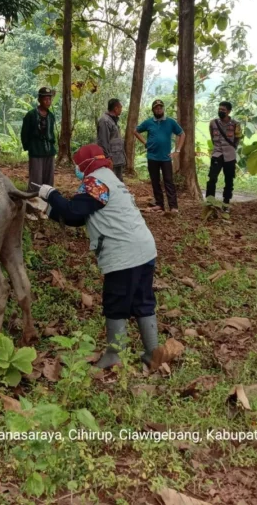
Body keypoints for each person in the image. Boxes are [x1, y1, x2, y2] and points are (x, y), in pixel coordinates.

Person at [36, 144, 159, 369]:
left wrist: (51, 195)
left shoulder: (95, 181)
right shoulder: (111, 179)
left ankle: (115, 356)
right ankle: (153, 353)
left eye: (78, 165)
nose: (77, 169)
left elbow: (74, 210)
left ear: (86, 164)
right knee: (143, 300)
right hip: (144, 249)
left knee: (115, 303)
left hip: (124, 254)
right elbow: (80, 217)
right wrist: (47, 210)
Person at [134, 99, 184, 214]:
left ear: (163, 109)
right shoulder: (148, 122)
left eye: (160, 107)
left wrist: (177, 150)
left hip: (166, 158)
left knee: (168, 182)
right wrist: (145, 142)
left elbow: (182, 134)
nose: (159, 109)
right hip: (152, 157)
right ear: (153, 110)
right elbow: (135, 131)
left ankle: (173, 207)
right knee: (155, 181)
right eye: (156, 108)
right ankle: (159, 205)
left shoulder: (170, 122)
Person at [21, 87, 57, 191]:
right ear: (39, 100)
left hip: (49, 151)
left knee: (48, 179)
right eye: (45, 99)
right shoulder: (31, 115)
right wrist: (29, 147)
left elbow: (51, 133)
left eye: (49, 99)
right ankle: (33, 201)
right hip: (36, 151)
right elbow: (24, 133)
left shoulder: (51, 116)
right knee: (36, 180)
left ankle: (47, 200)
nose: (48, 101)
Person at [206, 101, 242, 206]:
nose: (221, 111)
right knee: (212, 179)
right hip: (217, 154)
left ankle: (226, 202)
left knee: (229, 180)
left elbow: (238, 138)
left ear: (229, 111)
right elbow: (212, 138)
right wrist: (217, 147)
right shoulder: (213, 123)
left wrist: (231, 147)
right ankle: (210, 202)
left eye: (223, 110)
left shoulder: (236, 124)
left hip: (230, 156)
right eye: (220, 109)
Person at [96, 98, 126, 181]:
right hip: (110, 158)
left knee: (118, 180)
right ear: (116, 108)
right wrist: (107, 157)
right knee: (110, 181)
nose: (121, 110)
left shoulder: (113, 120)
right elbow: (103, 140)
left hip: (117, 157)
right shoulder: (105, 121)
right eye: (120, 107)